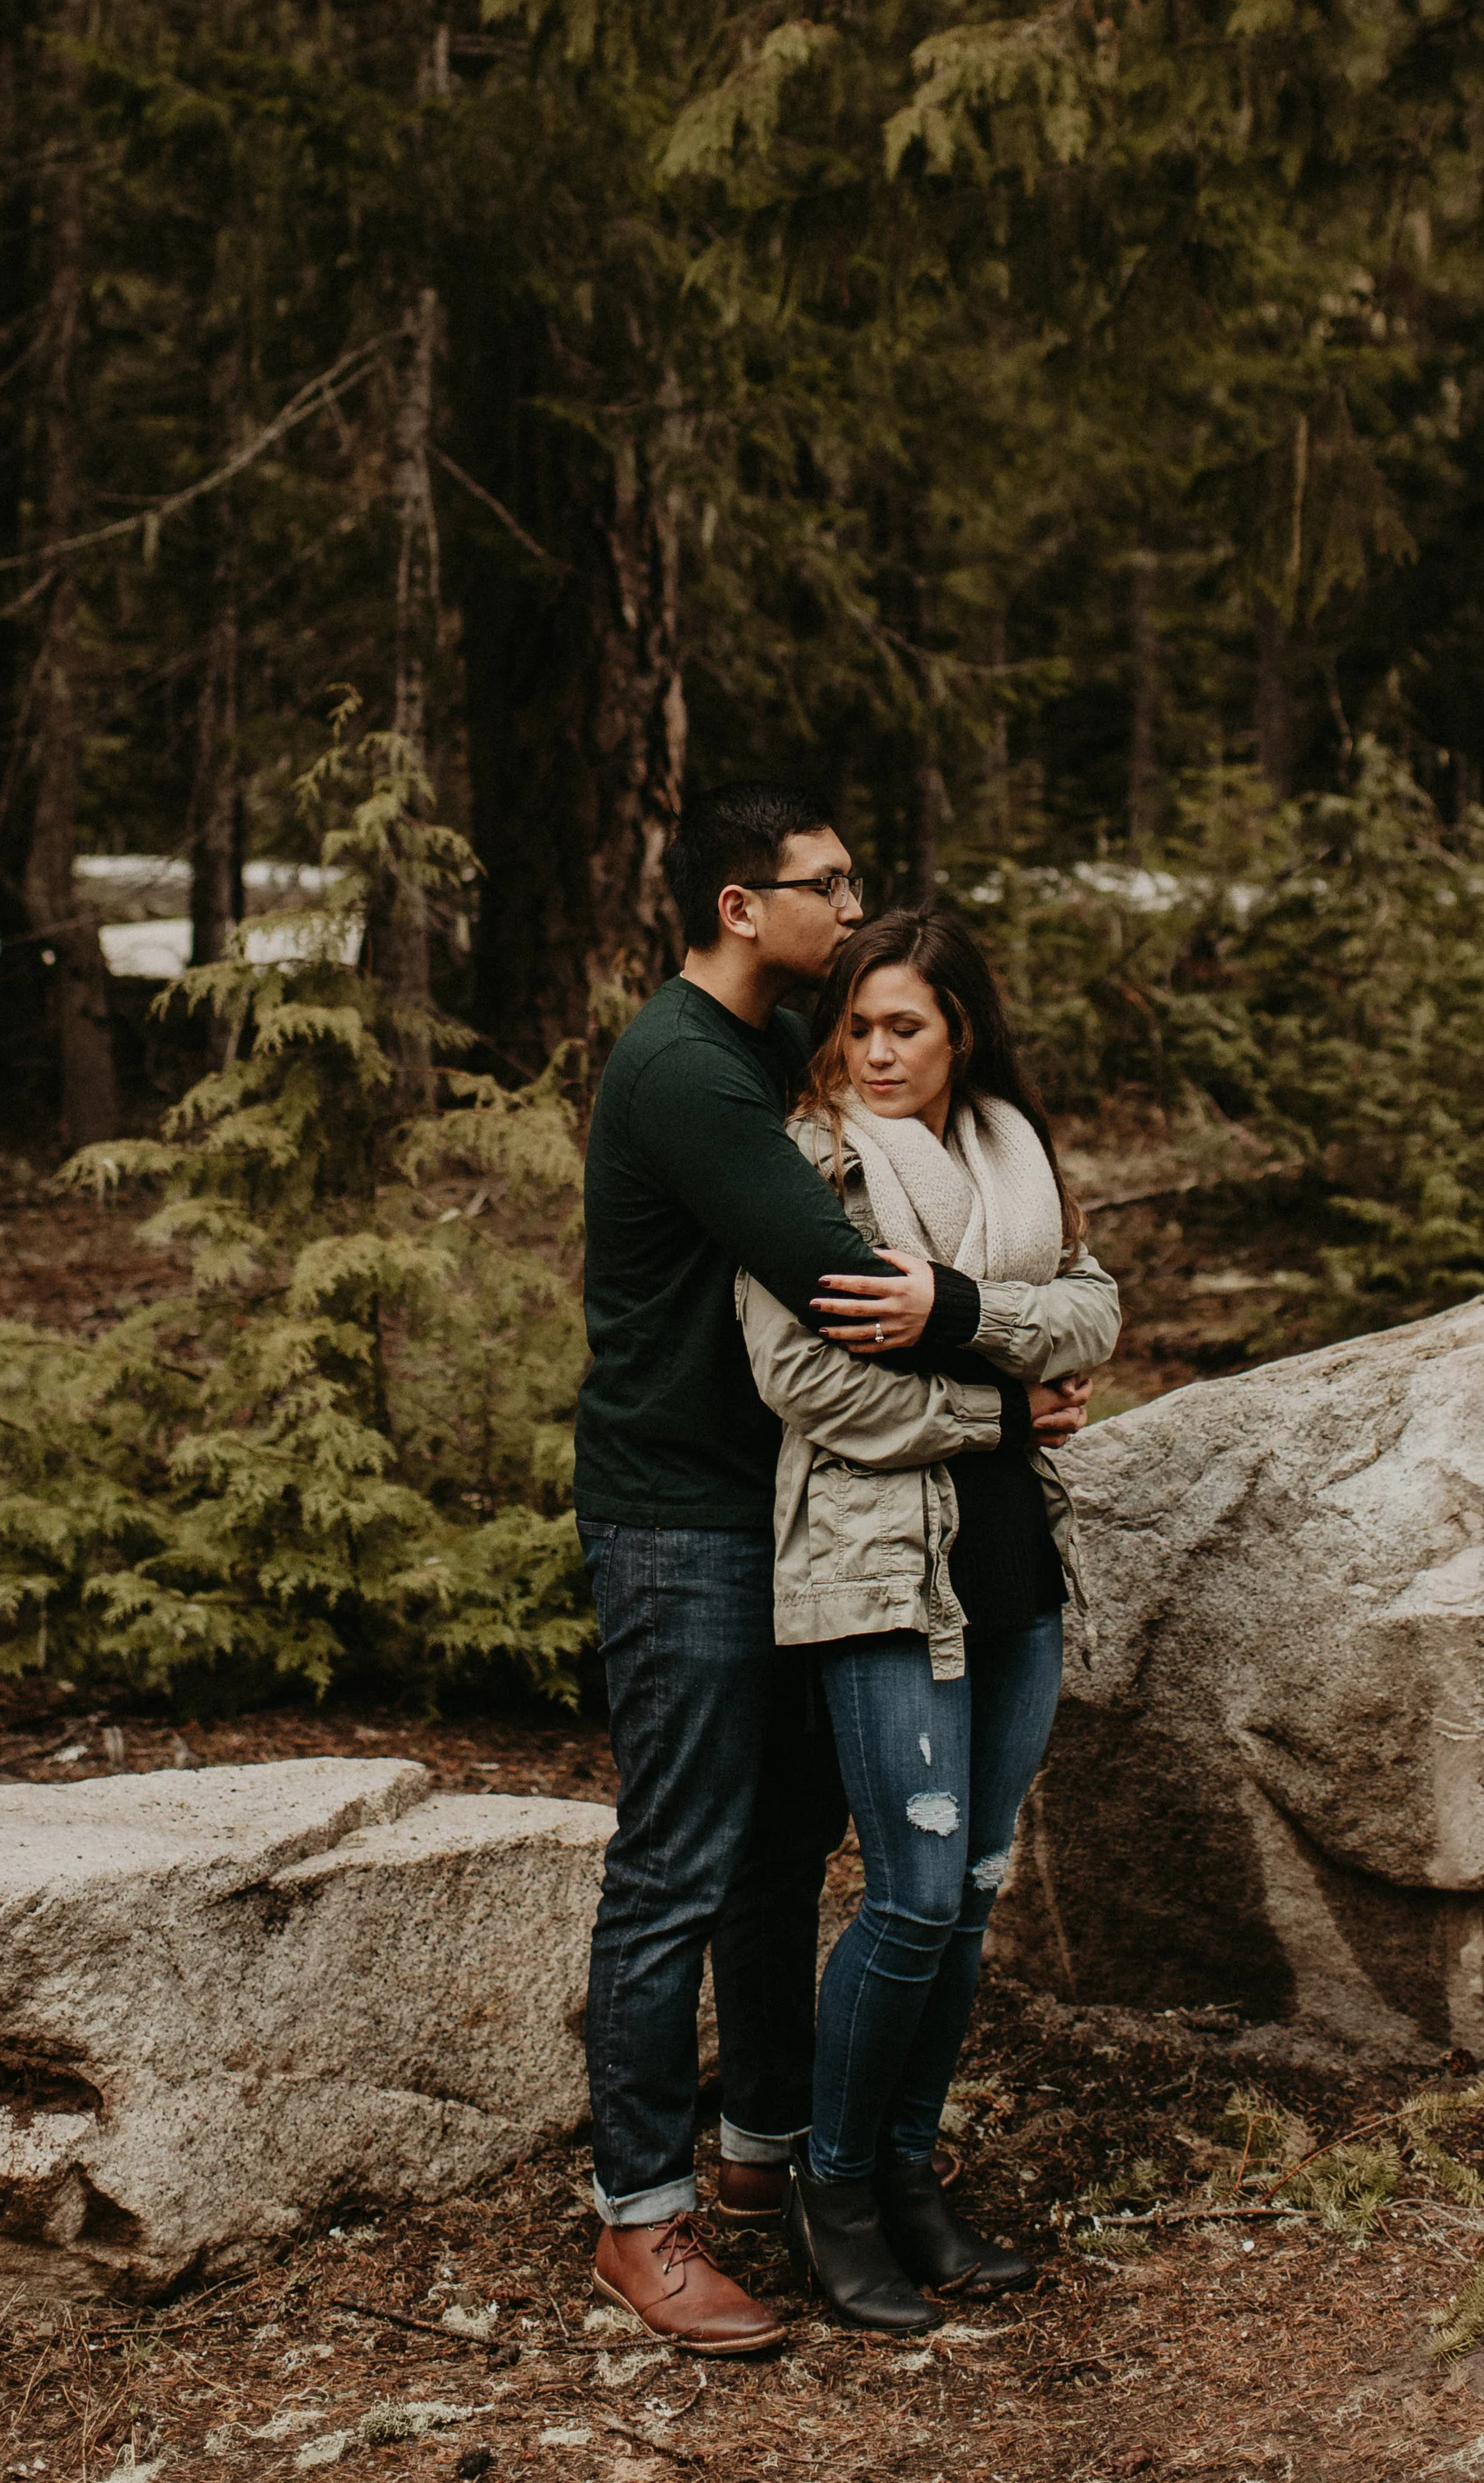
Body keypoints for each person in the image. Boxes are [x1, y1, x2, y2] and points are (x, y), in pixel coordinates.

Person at [576, 783, 1054, 2355]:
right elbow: (851, 1287)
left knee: (783, 1849)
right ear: (739, 906)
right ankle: (639, 2222)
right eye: (824, 888)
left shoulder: (780, 1053)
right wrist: (1004, 1388)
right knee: (678, 1862)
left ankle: (768, 2150)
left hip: (787, 1509)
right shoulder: (688, 1074)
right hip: (683, 1517)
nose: (850, 913)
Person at [736, 906, 1121, 2336]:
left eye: (906, 1025)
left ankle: (911, 2178)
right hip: (879, 1572)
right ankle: (831, 2199)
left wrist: (956, 1308)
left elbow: (1096, 1309)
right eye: (856, 1026)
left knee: (969, 1895)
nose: (874, 1052)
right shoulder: (812, 1163)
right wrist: (1000, 1401)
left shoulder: (1013, 1157)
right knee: (907, 1891)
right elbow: (809, 1385)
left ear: (962, 1031)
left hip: (1015, 1570)